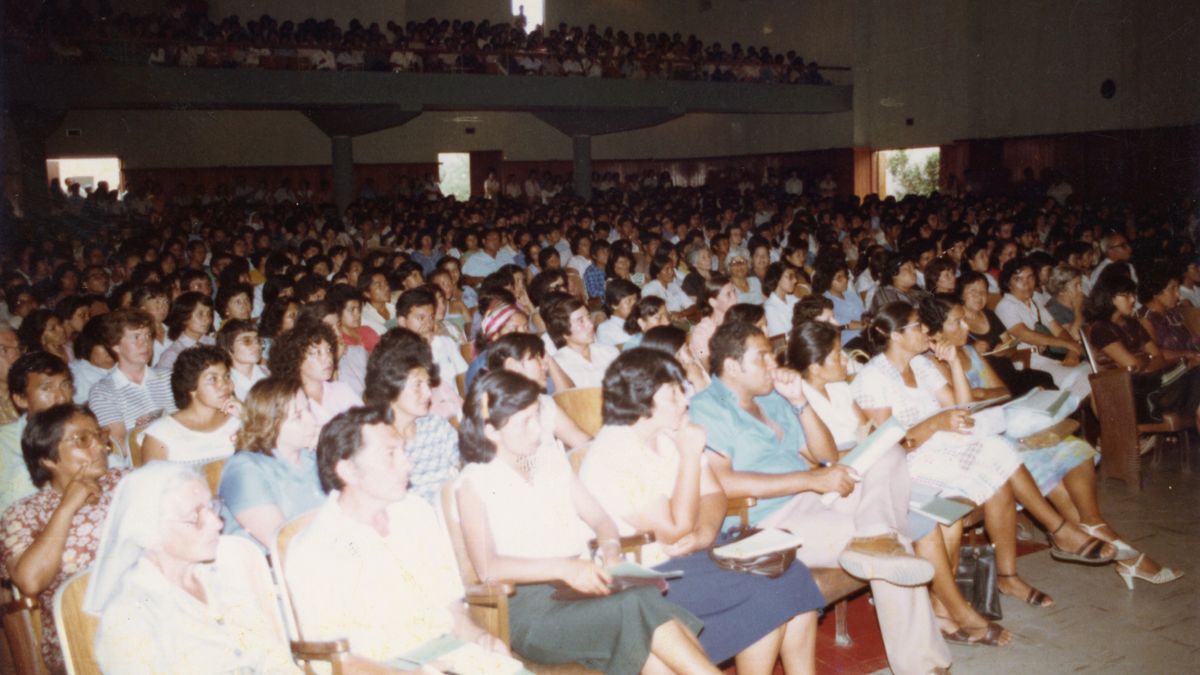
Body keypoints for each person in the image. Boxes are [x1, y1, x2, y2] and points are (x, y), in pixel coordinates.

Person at [688, 320, 950, 675]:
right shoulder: (707, 408)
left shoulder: (773, 398)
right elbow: (724, 483)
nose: (774, 363)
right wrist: (810, 479)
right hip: (765, 520)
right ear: (732, 366)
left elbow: (825, 456)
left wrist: (800, 403)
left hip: (811, 497)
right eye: (763, 357)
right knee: (895, 544)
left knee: (889, 453)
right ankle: (925, 666)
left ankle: (877, 534)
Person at [855, 302, 1115, 611]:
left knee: (999, 471)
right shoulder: (873, 377)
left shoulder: (922, 365)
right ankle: (1057, 531)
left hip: (943, 448)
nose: (926, 331)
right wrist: (936, 423)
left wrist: (954, 363)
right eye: (917, 326)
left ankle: (1011, 574)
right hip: (910, 463)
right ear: (896, 335)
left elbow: (962, 408)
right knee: (996, 451)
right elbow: (889, 445)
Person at [456, 371, 717, 674]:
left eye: (537, 416)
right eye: (525, 422)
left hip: (580, 588)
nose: (537, 428)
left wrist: (611, 552)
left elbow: (600, 519)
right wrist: (564, 568)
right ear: (492, 430)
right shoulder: (475, 482)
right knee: (638, 606)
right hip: (530, 609)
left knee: (648, 632)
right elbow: (488, 567)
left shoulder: (550, 460)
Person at [581, 349, 823, 672]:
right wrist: (690, 456)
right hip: (649, 574)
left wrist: (704, 535)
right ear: (641, 399)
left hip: (695, 554)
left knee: (794, 573)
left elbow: (715, 494)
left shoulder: (671, 431)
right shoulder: (614, 452)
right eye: (674, 393)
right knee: (766, 589)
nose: (685, 400)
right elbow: (674, 530)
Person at [920, 297, 1181, 590]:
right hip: (980, 443)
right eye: (957, 322)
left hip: (1002, 426)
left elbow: (1003, 392)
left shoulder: (970, 352)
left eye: (965, 319)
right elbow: (961, 407)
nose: (967, 326)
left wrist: (978, 394)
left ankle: (1094, 527)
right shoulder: (930, 364)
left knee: (1072, 448)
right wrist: (981, 395)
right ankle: (1114, 546)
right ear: (936, 332)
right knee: (1048, 470)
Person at [788, 320, 1012, 647]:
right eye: (837, 356)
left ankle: (941, 610)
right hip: (846, 485)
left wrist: (883, 441)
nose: (845, 360)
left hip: (878, 470)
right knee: (929, 521)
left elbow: (870, 432)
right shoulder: (799, 402)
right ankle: (960, 613)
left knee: (945, 516)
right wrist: (869, 447)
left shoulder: (840, 389)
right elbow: (821, 460)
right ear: (815, 367)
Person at [285, 406, 516, 671]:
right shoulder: (315, 548)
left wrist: (481, 638)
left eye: (403, 451)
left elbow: (452, 611)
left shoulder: (416, 512)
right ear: (348, 471)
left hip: (446, 655)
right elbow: (334, 662)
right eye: (390, 454)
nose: (407, 464)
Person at [87, 462, 302, 674]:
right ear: (150, 534)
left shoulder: (223, 576)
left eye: (211, 507)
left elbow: (274, 659)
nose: (217, 523)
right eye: (195, 516)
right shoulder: (128, 616)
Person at [0, 405, 126, 672]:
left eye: (99, 435)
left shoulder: (129, 483)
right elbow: (30, 582)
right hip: (83, 633)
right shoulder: (23, 514)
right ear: (47, 458)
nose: (100, 446)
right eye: (83, 439)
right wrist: (67, 507)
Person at [218, 377, 325, 550]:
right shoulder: (244, 469)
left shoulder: (311, 456)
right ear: (270, 423)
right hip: (272, 563)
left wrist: (328, 451)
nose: (313, 421)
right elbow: (283, 543)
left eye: (308, 410)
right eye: (298, 416)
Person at [1086, 273, 1200, 432]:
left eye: (1133, 294)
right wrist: (1148, 359)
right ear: (1110, 298)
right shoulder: (1100, 329)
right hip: (1133, 392)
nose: (1133, 300)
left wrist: (1146, 360)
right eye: (1127, 295)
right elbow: (1132, 366)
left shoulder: (1132, 323)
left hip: (1155, 382)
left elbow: (1157, 356)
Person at [362, 332, 461, 504]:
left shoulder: (436, 426)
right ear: (390, 386)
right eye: (417, 385)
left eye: (427, 384)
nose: (428, 393)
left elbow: (464, 473)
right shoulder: (372, 442)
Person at [994, 259, 1092, 400]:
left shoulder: (1035, 304)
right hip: (1029, 364)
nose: (1027, 284)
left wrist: (1072, 351)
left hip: (1048, 359)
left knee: (1092, 372)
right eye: (1019, 279)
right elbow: (1025, 335)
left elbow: (1059, 331)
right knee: (1084, 380)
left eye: (1030, 277)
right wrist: (1068, 344)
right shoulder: (1006, 306)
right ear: (1008, 284)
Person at [485, 332, 592, 449]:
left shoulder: (544, 402)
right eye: (536, 358)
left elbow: (582, 441)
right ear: (513, 366)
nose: (545, 366)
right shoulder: (495, 414)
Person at [87, 309, 176, 448]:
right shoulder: (103, 392)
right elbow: (119, 445)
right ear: (116, 346)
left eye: (148, 335)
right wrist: (138, 431)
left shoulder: (169, 377)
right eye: (136, 337)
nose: (146, 343)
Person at [959, 271, 1056, 397]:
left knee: (1045, 378)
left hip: (1010, 375)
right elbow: (955, 355)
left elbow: (1011, 345)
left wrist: (1005, 350)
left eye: (983, 291)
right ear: (961, 294)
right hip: (989, 384)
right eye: (973, 291)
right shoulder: (956, 322)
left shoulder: (989, 315)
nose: (979, 296)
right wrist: (972, 351)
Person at [140, 345, 241, 465]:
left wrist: (248, 417)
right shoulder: (161, 434)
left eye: (227, 376)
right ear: (191, 386)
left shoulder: (238, 418)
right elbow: (153, 477)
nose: (225, 385)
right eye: (213, 379)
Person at [0, 353, 74, 512]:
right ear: (21, 399)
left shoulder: (87, 433)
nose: (61, 398)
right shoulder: (4, 444)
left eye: (65, 385)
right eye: (47, 388)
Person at [267, 318, 361, 425]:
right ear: (296, 359)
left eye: (328, 350)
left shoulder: (342, 389)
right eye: (317, 353)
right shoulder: (291, 403)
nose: (328, 359)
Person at [545, 295, 619, 388]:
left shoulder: (609, 351)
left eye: (589, 318)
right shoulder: (558, 365)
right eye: (581, 321)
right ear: (564, 331)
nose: (591, 324)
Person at [1138, 265, 1200, 364]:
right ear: (1156, 291)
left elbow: (1192, 338)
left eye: (1178, 288)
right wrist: (1189, 354)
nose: (1178, 294)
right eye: (1172, 288)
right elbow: (1153, 353)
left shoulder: (1173, 312)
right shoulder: (1145, 318)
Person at [688, 274, 739, 371]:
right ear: (713, 302)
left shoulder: (737, 320)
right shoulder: (702, 332)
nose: (735, 299)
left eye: (734, 292)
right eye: (728, 295)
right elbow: (708, 366)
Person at [157, 291, 216, 372]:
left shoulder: (214, 343)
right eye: (200, 314)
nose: (207, 319)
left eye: (209, 314)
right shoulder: (173, 355)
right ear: (184, 318)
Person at [814, 261, 865, 345]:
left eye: (845, 275)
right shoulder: (825, 301)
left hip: (865, 334)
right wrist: (865, 326)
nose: (845, 280)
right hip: (849, 340)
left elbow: (864, 314)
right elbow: (840, 322)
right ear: (828, 281)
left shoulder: (851, 295)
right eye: (839, 278)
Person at [217, 318, 268, 400]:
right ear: (228, 348)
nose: (257, 345)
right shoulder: (223, 383)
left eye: (258, 340)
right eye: (247, 341)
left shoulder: (270, 374)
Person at [596, 278, 640, 347]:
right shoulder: (606, 328)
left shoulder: (639, 320)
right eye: (628, 301)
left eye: (635, 300)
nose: (634, 305)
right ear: (614, 305)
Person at [763, 262, 800, 338]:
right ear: (777, 278)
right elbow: (782, 338)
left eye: (795, 276)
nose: (795, 280)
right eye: (790, 277)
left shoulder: (793, 299)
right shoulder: (770, 308)